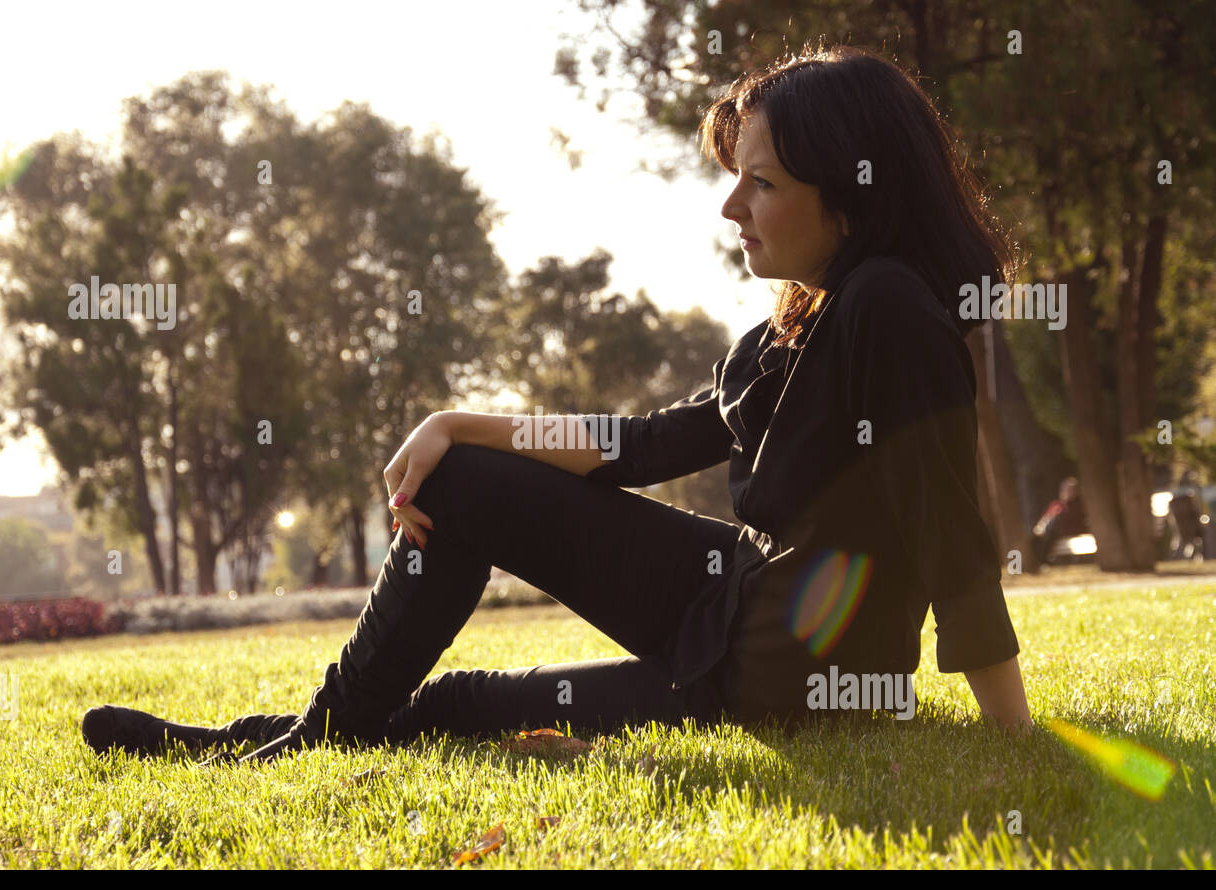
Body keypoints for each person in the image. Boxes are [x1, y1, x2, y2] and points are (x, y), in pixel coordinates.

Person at [82, 44, 1034, 766]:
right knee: (460, 483)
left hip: (784, 677)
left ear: (853, 193)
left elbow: (954, 539)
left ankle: (273, 742)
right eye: (734, 177)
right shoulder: (807, 317)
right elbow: (645, 443)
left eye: (763, 182)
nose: (731, 206)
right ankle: (280, 738)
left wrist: (1016, 742)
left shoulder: (891, 311)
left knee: (459, 705)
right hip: (730, 593)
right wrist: (457, 426)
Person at [1032, 477, 1089, 567]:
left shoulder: (1078, 504)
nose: (1067, 492)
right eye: (1065, 489)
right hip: (1052, 532)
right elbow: (1046, 517)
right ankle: (1038, 562)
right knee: (1034, 539)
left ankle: (1044, 562)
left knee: (1051, 531)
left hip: (1069, 530)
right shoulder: (1056, 504)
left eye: (1070, 490)